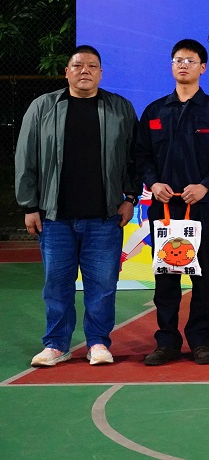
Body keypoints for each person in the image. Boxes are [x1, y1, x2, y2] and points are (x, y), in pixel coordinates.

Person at [16, 45, 140, 367]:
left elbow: (134, 157)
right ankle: (56, 345)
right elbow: (26, 158)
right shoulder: (43, 107)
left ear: (101, 73)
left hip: (105, 217)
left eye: (92, 66)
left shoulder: (120, 108)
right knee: (56, 285)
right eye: (78, 65)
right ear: (67, 72)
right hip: (54, 217)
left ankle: (98, 343)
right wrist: (29, 206)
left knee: (103, 286)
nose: (85, 71)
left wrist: (130, 198)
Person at [134, 39, 209, 366]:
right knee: (166, 276)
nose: (183, 65)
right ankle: (166, 341)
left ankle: (200, 340)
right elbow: (141, 156)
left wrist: (205, 187)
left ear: (202, 67)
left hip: (200, 208)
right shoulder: (155, 111)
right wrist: (154, 183)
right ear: (171, 65)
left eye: (190, 60)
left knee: (203, 276)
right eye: (178, 60)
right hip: (164, 209)